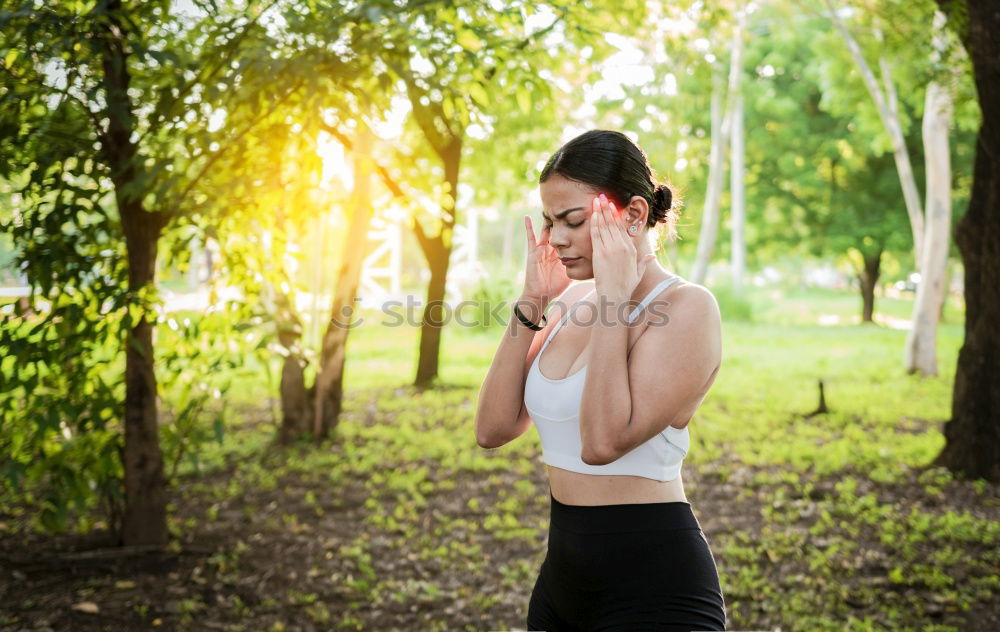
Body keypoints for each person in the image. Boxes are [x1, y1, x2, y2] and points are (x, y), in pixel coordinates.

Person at [474, 130, 726, 631]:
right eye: (549, 223)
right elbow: (493, 429)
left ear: (633, 214)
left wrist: (614, 299)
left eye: (572, 221)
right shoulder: (568, 304)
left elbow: (602, 442)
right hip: (561, 583)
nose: (555, 240)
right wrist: (532, 301)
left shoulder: (686, 308)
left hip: (655, 590)